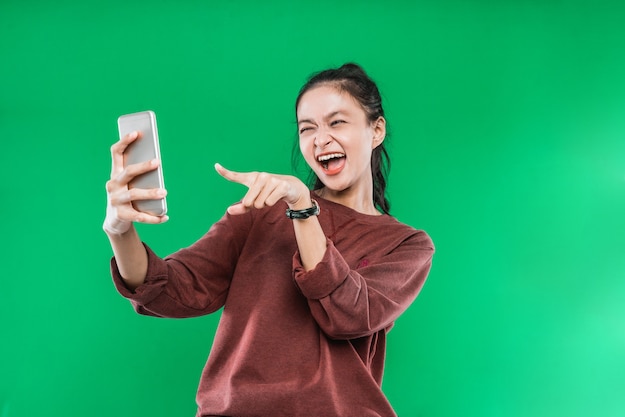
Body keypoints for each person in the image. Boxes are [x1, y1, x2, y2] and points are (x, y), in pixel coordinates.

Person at [103, 63, 435, 417]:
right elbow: (174, 289)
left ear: (377, 130)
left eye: (337, 122)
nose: (320, 139)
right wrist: (120, 231)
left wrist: (302, 208)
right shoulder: (264, 210)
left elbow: (349, 316)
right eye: (308, 128)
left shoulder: (407, 245)